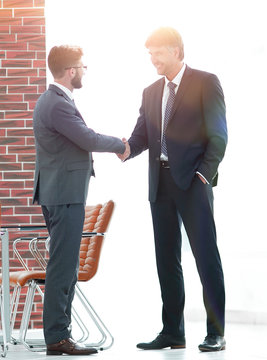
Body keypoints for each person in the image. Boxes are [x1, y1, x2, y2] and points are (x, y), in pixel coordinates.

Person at [118, 27, 227, 352]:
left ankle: (216, 333)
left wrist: (204, 176)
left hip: (194, 183)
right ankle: (172, 332)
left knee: (206, 258)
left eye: (158, 53)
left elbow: (219, 135)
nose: (153, 59)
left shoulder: (205, 82)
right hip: (160, 183)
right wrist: (122, 148)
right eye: (149, 53)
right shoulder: (151, 91)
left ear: (177, 51)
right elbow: (141, 136)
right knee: (166, 259)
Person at [33, 45, 125, 356]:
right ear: (71, 70)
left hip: (60, 191)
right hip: (64, 194)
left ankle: (60, 336)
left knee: (66, 265)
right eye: (83, 67)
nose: (84, 71)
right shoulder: (58, 104)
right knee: (63, 266)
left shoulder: (53, 100)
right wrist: (120, 145)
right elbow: (86, 137)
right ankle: (58, 338)